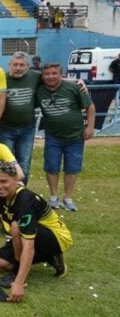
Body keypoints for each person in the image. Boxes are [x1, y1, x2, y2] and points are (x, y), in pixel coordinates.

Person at [0, 161, 72, 301]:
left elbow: (28, 246)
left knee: (16, 226)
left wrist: (19, 283)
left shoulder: (25, 200)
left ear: (15, 178)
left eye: (4, 181)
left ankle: (20, 272)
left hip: (57, 238)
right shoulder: (2, 194)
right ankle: (50, 257)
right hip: (30, 234)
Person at [36, 63, 95, 211]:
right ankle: (54, 197)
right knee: (51, 166)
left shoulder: (74, 87)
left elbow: (90, 107)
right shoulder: (39, 90)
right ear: (43, 76)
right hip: (53, 136)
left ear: (61, 74)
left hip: (75, 136)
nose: (50, 76)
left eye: (54, 73)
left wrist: (90, 127)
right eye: (47, 74)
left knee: (72, 167)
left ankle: (68, 198)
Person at [0, 52, 40, 185]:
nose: (18, 68)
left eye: (22, 65)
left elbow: (56, 80)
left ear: (28, 66)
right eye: (15, 64)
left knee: (24, 162)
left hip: (27, 129)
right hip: (5, 129)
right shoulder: (1, 78)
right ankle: (6, 189)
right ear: (9, 65)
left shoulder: (35, 76)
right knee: (7, 162)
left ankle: (21, 192)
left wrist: (79, 82)